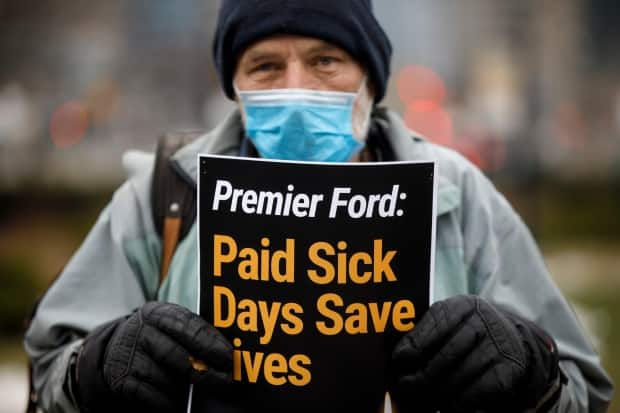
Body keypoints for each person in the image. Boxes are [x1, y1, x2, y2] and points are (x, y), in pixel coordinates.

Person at [25, 1, 613, 412]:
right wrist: (96, 371)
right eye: (265, 66)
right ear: (234, 86)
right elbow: (50, 370)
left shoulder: (456, 196)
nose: (296, 90)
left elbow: (582, 392)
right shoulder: (162, 195)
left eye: (326, 60)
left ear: (371, 81)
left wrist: (529, 375)